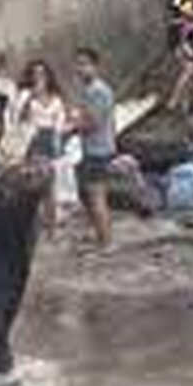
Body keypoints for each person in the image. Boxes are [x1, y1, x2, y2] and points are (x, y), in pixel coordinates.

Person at [71, 47, 117, 250]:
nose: (80, 69)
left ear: (96, 66)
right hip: (95, 149)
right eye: (78, 64)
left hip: (98, 151)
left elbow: (94, 123)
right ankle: (101, 237)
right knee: (91, 195)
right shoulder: (92, 90)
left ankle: (106, 242)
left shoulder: (97, 91)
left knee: (97, 196)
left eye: (85, 64)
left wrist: (72, 125)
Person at [21, 60, 68, 237]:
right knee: (32, 186)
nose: (39, 77)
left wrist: (58, 142)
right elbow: (20, 119)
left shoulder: (57, 98)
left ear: (48, 76)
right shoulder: (27, 95)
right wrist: (29, 99)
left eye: (42, 73)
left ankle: (51, 230)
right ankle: (31, 228)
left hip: (50, 140)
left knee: (50, 187)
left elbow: (60, 121)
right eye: (35, 73)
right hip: (33, 139)